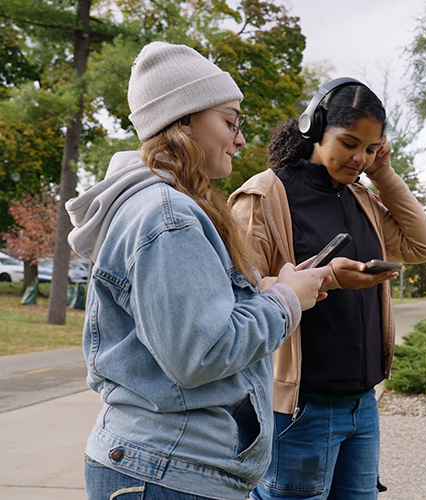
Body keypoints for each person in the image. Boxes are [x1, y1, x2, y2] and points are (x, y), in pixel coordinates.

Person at [66, 42, 331, 500]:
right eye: (230, 122)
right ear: (183, 120)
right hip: (168, 473)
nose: (241, 139)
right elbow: (200, 354)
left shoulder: (160, 208)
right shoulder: (168, 216)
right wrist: (285, 300)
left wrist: (265, 289)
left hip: (165, 468)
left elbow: (176, 326)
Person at [228, 77, 426, 499]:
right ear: (313, 128)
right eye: (349, 143)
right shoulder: (263, 197)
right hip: (300, 408)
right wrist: (330, 278)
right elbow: (236, 293)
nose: (359, 157)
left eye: (370, 147)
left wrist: (385, 174)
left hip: (362, 405)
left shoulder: (360, 197)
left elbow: (424, 245)